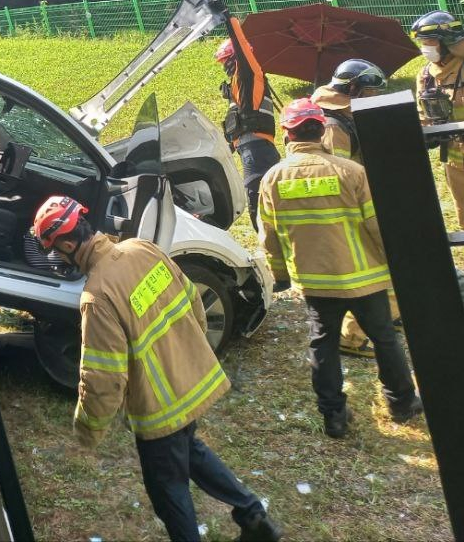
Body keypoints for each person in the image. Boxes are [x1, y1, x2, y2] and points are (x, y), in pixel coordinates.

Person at [32, 195, 282, 542]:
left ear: (70, 243)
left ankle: (246, 521)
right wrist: (191, 353)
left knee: (169, 495)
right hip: (189, 383)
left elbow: (103, 377)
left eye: (56, 250)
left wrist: (88, 429)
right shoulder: (142, 250)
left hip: (160, 412)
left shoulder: (98, 295)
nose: (57, 257)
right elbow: (193, 300)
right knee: (191, 452)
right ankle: (255, 518)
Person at [258, 99, 421, 438]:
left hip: (316, 284)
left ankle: (333, 416)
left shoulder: (272, 179)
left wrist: (280, 276)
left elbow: (269, 236)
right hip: (365, 279)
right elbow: (378, 226)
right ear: (322, 131)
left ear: (287, 135)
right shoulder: (352, 172)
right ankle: (402, 404)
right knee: (385, 340)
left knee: (323, 345)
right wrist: (398, 266)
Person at [310, 59, 394, 358]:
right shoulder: (335, 126)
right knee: (379, 266)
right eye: (369, 92)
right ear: (353, 88)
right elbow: (340, 176)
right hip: (351, 209)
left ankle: (384, 318)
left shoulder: (339, 112)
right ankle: (353, 336)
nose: (372, 98)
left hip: (356, 203)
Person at [216, 16, 280, 230]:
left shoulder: (248, 74)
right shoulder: (238, 86)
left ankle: (268, 240)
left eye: (226, 61)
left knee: (258, 198)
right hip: (251, 148)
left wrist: (228, 19)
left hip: (257, 150)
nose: (224, 66)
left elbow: (241, 45)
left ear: (234, 59)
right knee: (261, 197)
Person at [411, 10, 464, 224]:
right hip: (455, 161)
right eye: (423, 42)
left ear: (447, 41)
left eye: (430, 41)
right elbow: (422, 115)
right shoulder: (425, 76)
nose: (425, 48)